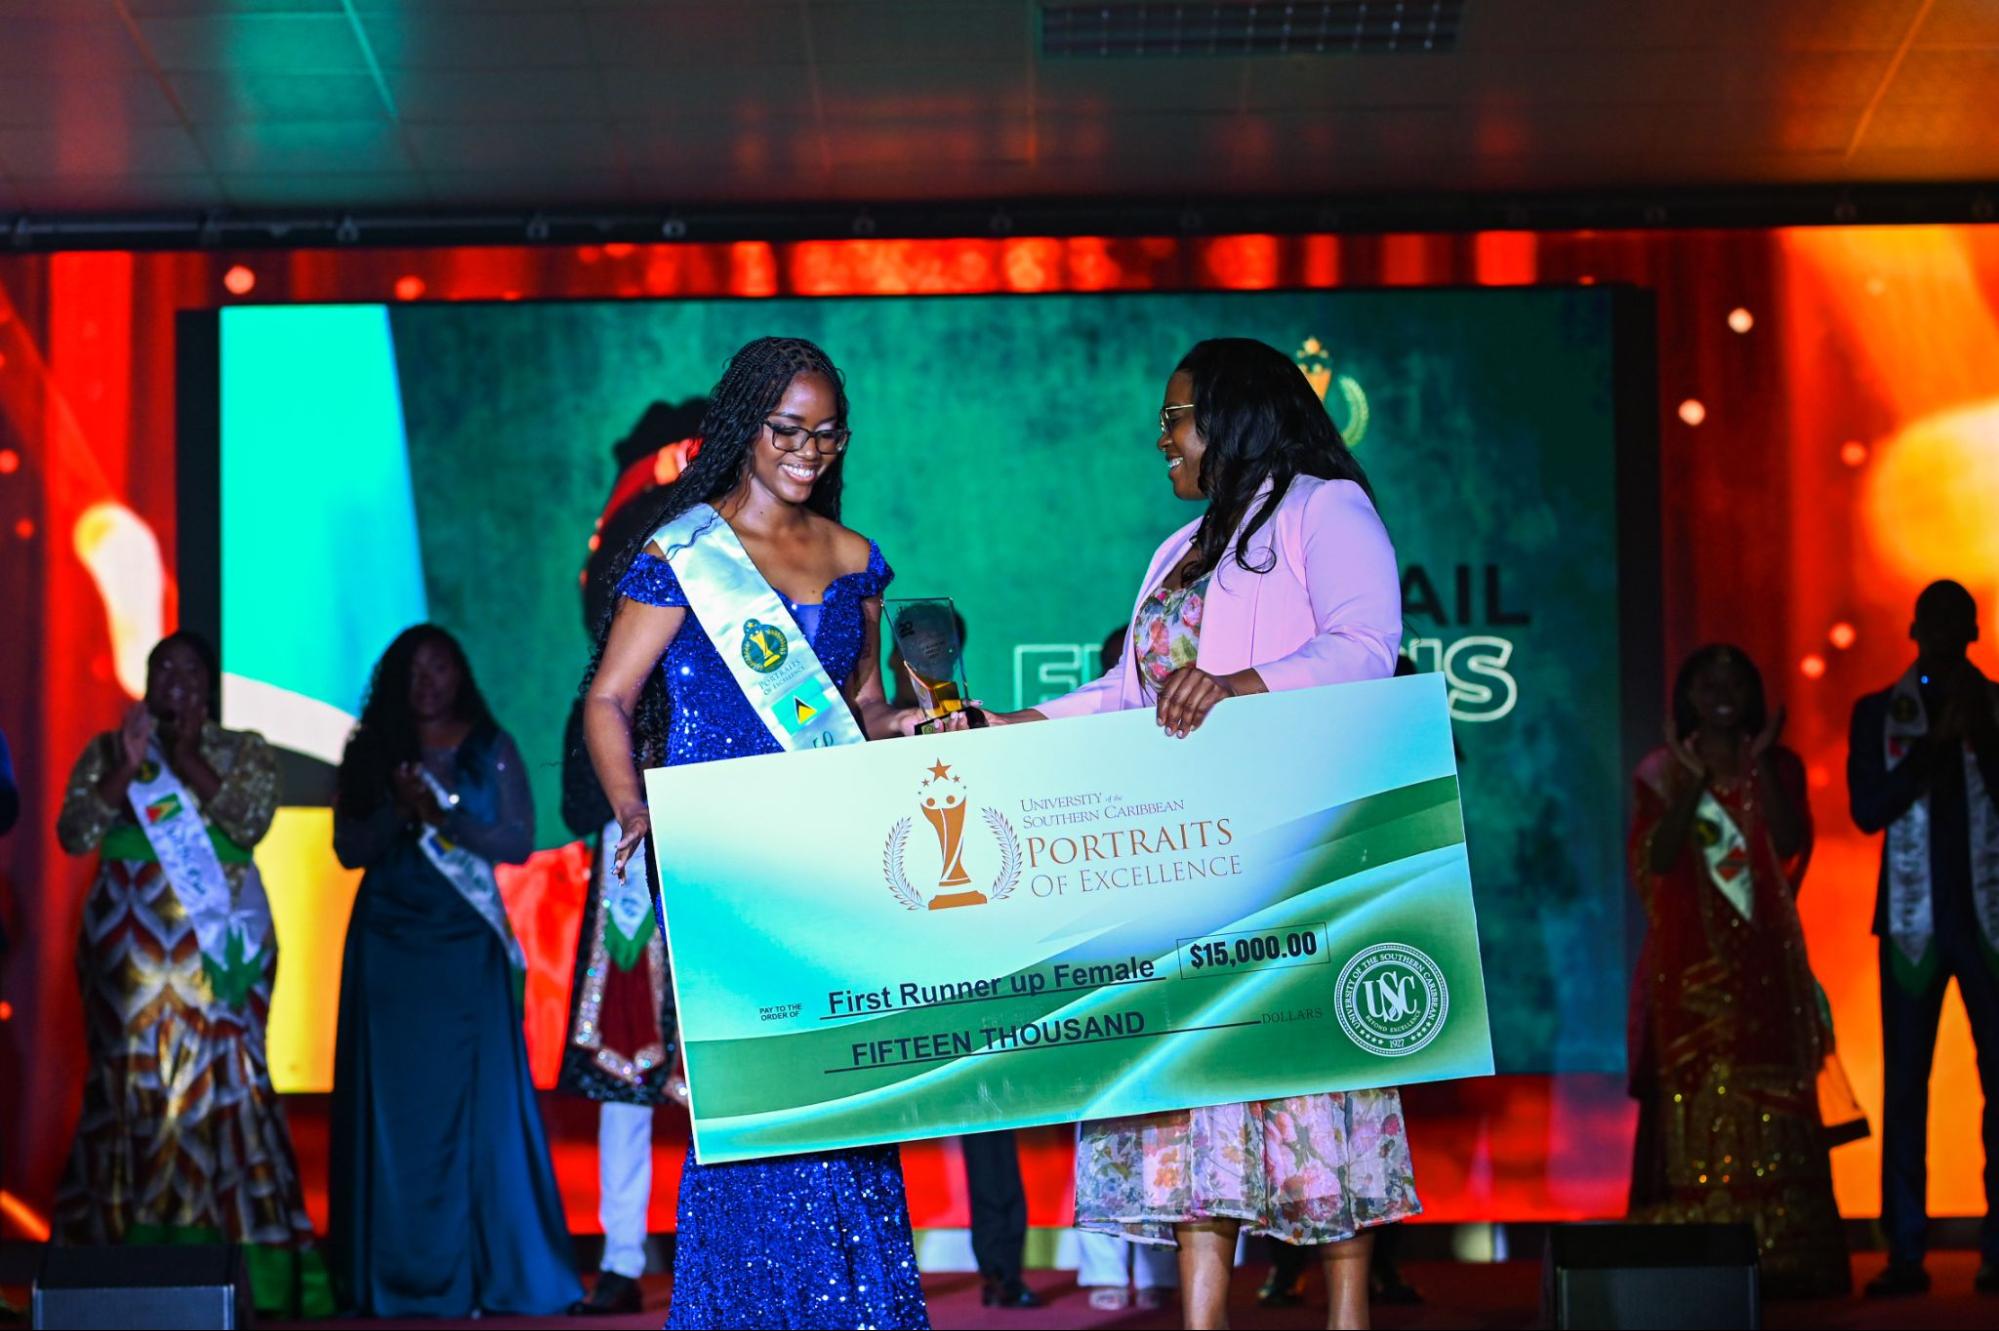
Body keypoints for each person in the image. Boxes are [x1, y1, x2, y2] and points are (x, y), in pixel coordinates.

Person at [976, 338, 1416, 1331]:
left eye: (1174, 417)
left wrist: (1235, 686)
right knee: (1198, 1099)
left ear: (1230, 417)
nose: (1161, 438)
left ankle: (1348, 1315)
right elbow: (1128, 695)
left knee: (1316, 1086)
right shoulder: (1176, 551)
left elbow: (1363, 647)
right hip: (1188, 866)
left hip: (1294, 855)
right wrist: (1017, 725)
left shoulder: (1321, 506)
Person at [582, 336, 930, 1329]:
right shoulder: (684, 551)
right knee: (754, 1108)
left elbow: (856, 705)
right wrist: (635, 807)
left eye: (827, 432)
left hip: (829, 859)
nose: (808, 450)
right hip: (722, 862)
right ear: (746, 425)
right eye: (789, 429)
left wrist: (903, 720)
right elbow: (608, 698)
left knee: (849, 1101)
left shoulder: (856, 560)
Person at [53, 631, 331, 1317]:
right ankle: (119, 1263)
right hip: (128, 951)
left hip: (222, 945)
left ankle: (247, 1263)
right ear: (146, 681)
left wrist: (183, 756)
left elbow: (250, 819)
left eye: (188, 669)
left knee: (225, 1077)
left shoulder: (246, 750)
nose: (174, 678)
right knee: (130, 1080)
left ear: (207, 684)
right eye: (161, 668)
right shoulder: (110, 748)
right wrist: (131, 763)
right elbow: (75, 832)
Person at [330, 625, 580, 1317]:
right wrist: (396, 807)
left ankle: (483, 1271)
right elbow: (350, 848)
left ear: (460, 674)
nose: (427, 682)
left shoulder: (488, 746)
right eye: (413, 670)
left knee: (474, 1110)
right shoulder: (371, 750)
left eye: (439, 668)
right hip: (388, 944)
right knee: (394, 1110)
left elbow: (516, 839)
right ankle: (390, 1273)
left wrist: (441, 809)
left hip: (462, 946)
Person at [1626, 644, 1848, 1297]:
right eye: (1705, 679)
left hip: (1763, 966)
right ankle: (1703, 1250)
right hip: (1690, 975)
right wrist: (1694, 777)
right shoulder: (1660, 771)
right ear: (1685, 696)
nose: (1720, 689)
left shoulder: (1777, 764)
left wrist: (1751, 770)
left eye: (1733, 679)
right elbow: (1658, 859)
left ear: (1751, 694)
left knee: (1770, 1091)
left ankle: (1785, 1251)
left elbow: (1785, 843)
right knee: (1698, 1095)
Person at [558, 402, 708, 1318]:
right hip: (632, 844)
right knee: (625, 1061)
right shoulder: (622, 633)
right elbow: (595, 715)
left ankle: (716, 1247)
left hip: (720, 838)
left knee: (720, 1056)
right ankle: (620, 1254)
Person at [1849, 580, 1999, 1297]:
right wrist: (1929, 751)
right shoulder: (1878, 713)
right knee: (1905, 1087)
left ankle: (1997, 1247)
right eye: (1932, 623)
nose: (1943, 635)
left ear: (1973, 631)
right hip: (1910, 924)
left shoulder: (1995, 708)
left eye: (1956, 623)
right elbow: (1866, 810)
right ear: (1912, 630)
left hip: (1988, 922)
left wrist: (1982, 737)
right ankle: (1903, 1250)